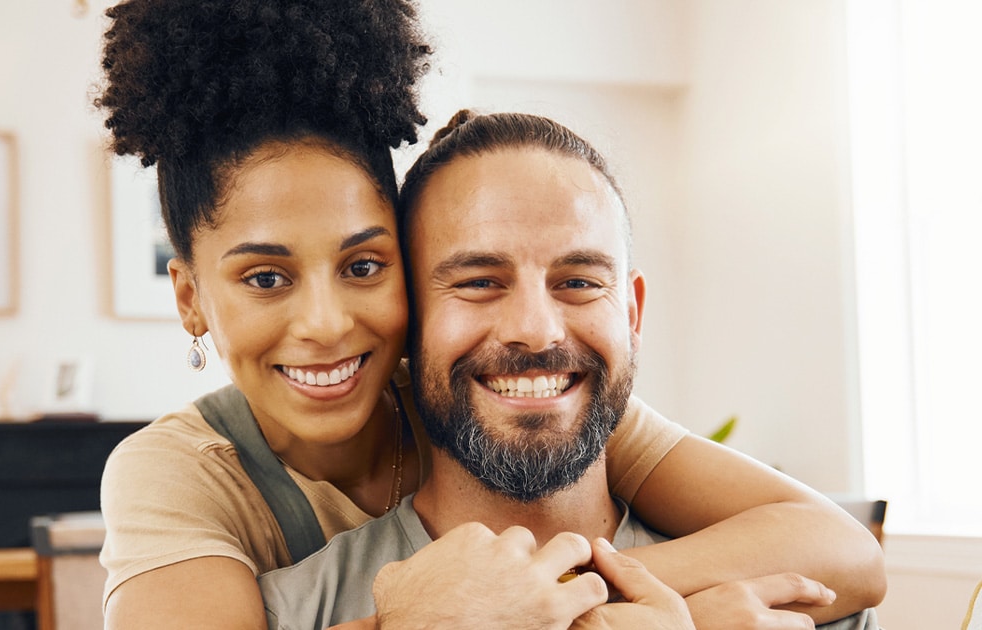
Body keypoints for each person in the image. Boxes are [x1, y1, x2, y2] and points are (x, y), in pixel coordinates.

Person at [93, 2, 885, 629]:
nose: (329, 323)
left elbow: (842, 550)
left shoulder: (497, 386)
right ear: (191, 297)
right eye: (266, 278)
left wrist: (578, 600)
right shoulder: (183, 475)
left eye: (364, 266)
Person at [257, 110, 881, 630]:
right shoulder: (294, 611)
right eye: (479, 282)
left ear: (631, 312)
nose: (537, 328)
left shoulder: (787, 602)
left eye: (579, 282)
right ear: (407, 319)